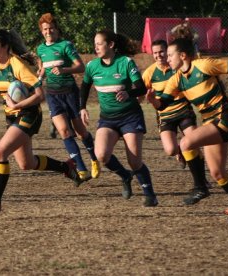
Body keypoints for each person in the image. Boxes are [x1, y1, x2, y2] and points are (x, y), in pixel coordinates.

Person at [0, 29, 83, 216]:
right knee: (26, 163)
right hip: (12, 117)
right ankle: (66, 167)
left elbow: (39, 95)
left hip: (29, 114)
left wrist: (17, 104)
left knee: (0, 152)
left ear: (5, 47)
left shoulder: (17, 65)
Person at [146, 38, 228, 219]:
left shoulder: (204, 65)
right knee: (217, 173)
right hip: (210, 123)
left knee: (186, 142)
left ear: (183, 55)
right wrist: (154, 101)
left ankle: (200, 187)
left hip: (225, 118)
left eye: (170, 55)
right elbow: (163, 105)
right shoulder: (177, 79)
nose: (167, 59)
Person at [80, 29, 158, 207]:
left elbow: (140, 88)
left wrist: (127, 93)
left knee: (134, 160)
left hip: (130, 117)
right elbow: (84, 87)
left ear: (111, 45)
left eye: (99, 43)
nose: (96, 47)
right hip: (108, 119)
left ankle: (150, 194)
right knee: (101, 155)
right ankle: (125, 176)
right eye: (95, 44)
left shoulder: (125, 63)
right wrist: (82, 107)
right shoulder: (92, 66)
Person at [142, 39, 211, 205]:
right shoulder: (149, 73)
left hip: (184, 112)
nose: (159, 55)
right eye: (155, 52)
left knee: (194, 143)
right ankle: (180, 151)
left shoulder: (177, 68)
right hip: (165, 117)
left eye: (162, 51)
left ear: (168, 52)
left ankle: (201, 182)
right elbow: (140, 90)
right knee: (171, 150)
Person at [36, 13, 100, 181]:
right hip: (52, 95)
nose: (48, 32)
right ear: (41, 31)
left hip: (70, 93)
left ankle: (94, 159)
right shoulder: (40, 49)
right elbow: (43, 67)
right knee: (64, 131)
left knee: (80, 132)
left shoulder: (65, 45)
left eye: (51, 28)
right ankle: (81, 168)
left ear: (57, 29)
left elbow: (80, 67)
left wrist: (64, 70)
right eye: (45, 29)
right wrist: (39, 76)